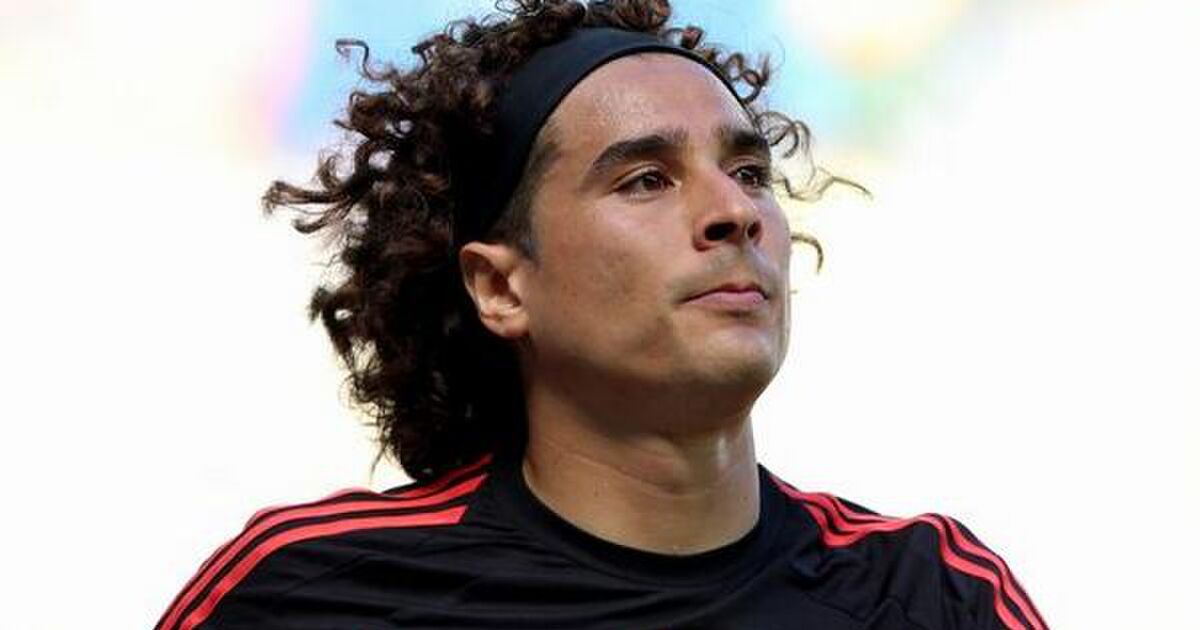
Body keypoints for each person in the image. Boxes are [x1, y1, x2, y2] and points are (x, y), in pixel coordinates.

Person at [155, 0, 1046, 628]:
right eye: (646, 180)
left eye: (749, 173)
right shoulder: (306, 591)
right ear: (500, 288)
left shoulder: (933, 595)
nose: (734, 213)